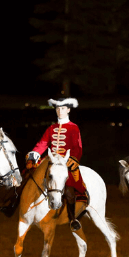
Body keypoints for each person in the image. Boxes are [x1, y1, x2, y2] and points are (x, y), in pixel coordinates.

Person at [26, 95, 87, 231]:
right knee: (29, 173)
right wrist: (34, 154)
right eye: (58, 108)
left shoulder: (74, 128)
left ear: (68, 110)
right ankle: (16, 204)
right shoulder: (51, 128)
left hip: (65, 162)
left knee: (70, 189)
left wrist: (74, 159)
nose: (60, 111)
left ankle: (73, 219)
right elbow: (42, 143)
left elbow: (78, 147)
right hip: (51, 160)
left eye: (63, 108)